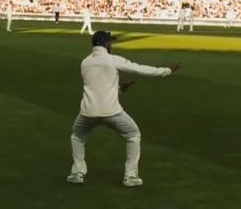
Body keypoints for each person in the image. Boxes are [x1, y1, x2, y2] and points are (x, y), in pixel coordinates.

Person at [67, 31, 181, 187]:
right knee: (133, 135)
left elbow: (97, 86)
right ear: (105, 44)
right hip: (112, 112)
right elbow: (139, 69)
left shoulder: (85, 63)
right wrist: (166, 71)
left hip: (87, 112)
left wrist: (120, 89)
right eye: (110, 42)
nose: (111, 45)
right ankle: (130, 176)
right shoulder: (113, 60)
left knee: (77, 137)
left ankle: (77, 173)